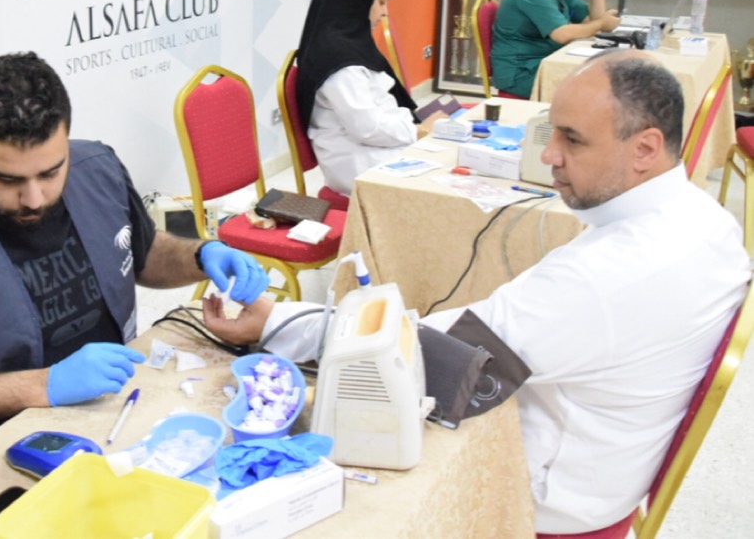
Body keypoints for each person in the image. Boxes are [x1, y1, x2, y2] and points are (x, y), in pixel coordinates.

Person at [202, 50, 751, 535]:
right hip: (609, 467)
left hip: (546, 501)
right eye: (551, 132)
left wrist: (273, 321)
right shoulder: (708, 219)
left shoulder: (604, 278)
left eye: (572, 139)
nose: (549, 156)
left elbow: (409, 356)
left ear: (645, 148)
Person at [0, 52, 271, 450]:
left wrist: (201, 256)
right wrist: (43, 385)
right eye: (7, 179)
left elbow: (141, 253)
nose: (34, 199)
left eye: (50, 172)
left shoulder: (97, 168)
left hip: (109, 407)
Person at [295, 0, 443, 196]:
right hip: (362, 164)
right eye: (381, 2)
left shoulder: (350, 44)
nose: (385, 12)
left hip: (376, 149)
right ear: (357, 1)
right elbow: (367, 128)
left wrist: (417, 127)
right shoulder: (338, 60)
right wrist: (419, 131)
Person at [490, 0, 621, 99]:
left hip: (540, 63)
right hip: (521, 74)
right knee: (592, 90)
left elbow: (594, 19)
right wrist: (601, 23)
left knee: (597, 81)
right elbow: (561, 34)